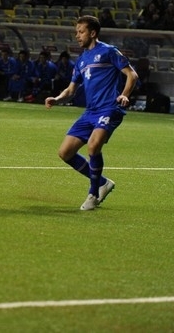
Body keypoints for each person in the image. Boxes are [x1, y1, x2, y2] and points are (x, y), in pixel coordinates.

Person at [44, 15, 139, 211]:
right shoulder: (81, 60)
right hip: (90, 112)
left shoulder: (108, 51)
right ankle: (103, 183)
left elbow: (132, 74)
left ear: (93, 33)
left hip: (109, 108)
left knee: (93, 146)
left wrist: (124, 94)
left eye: (81, 32)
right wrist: (57, 99)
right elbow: (71, 90)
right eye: (76, 32)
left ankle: (93, 194)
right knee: (65, 152)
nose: (77, 36)